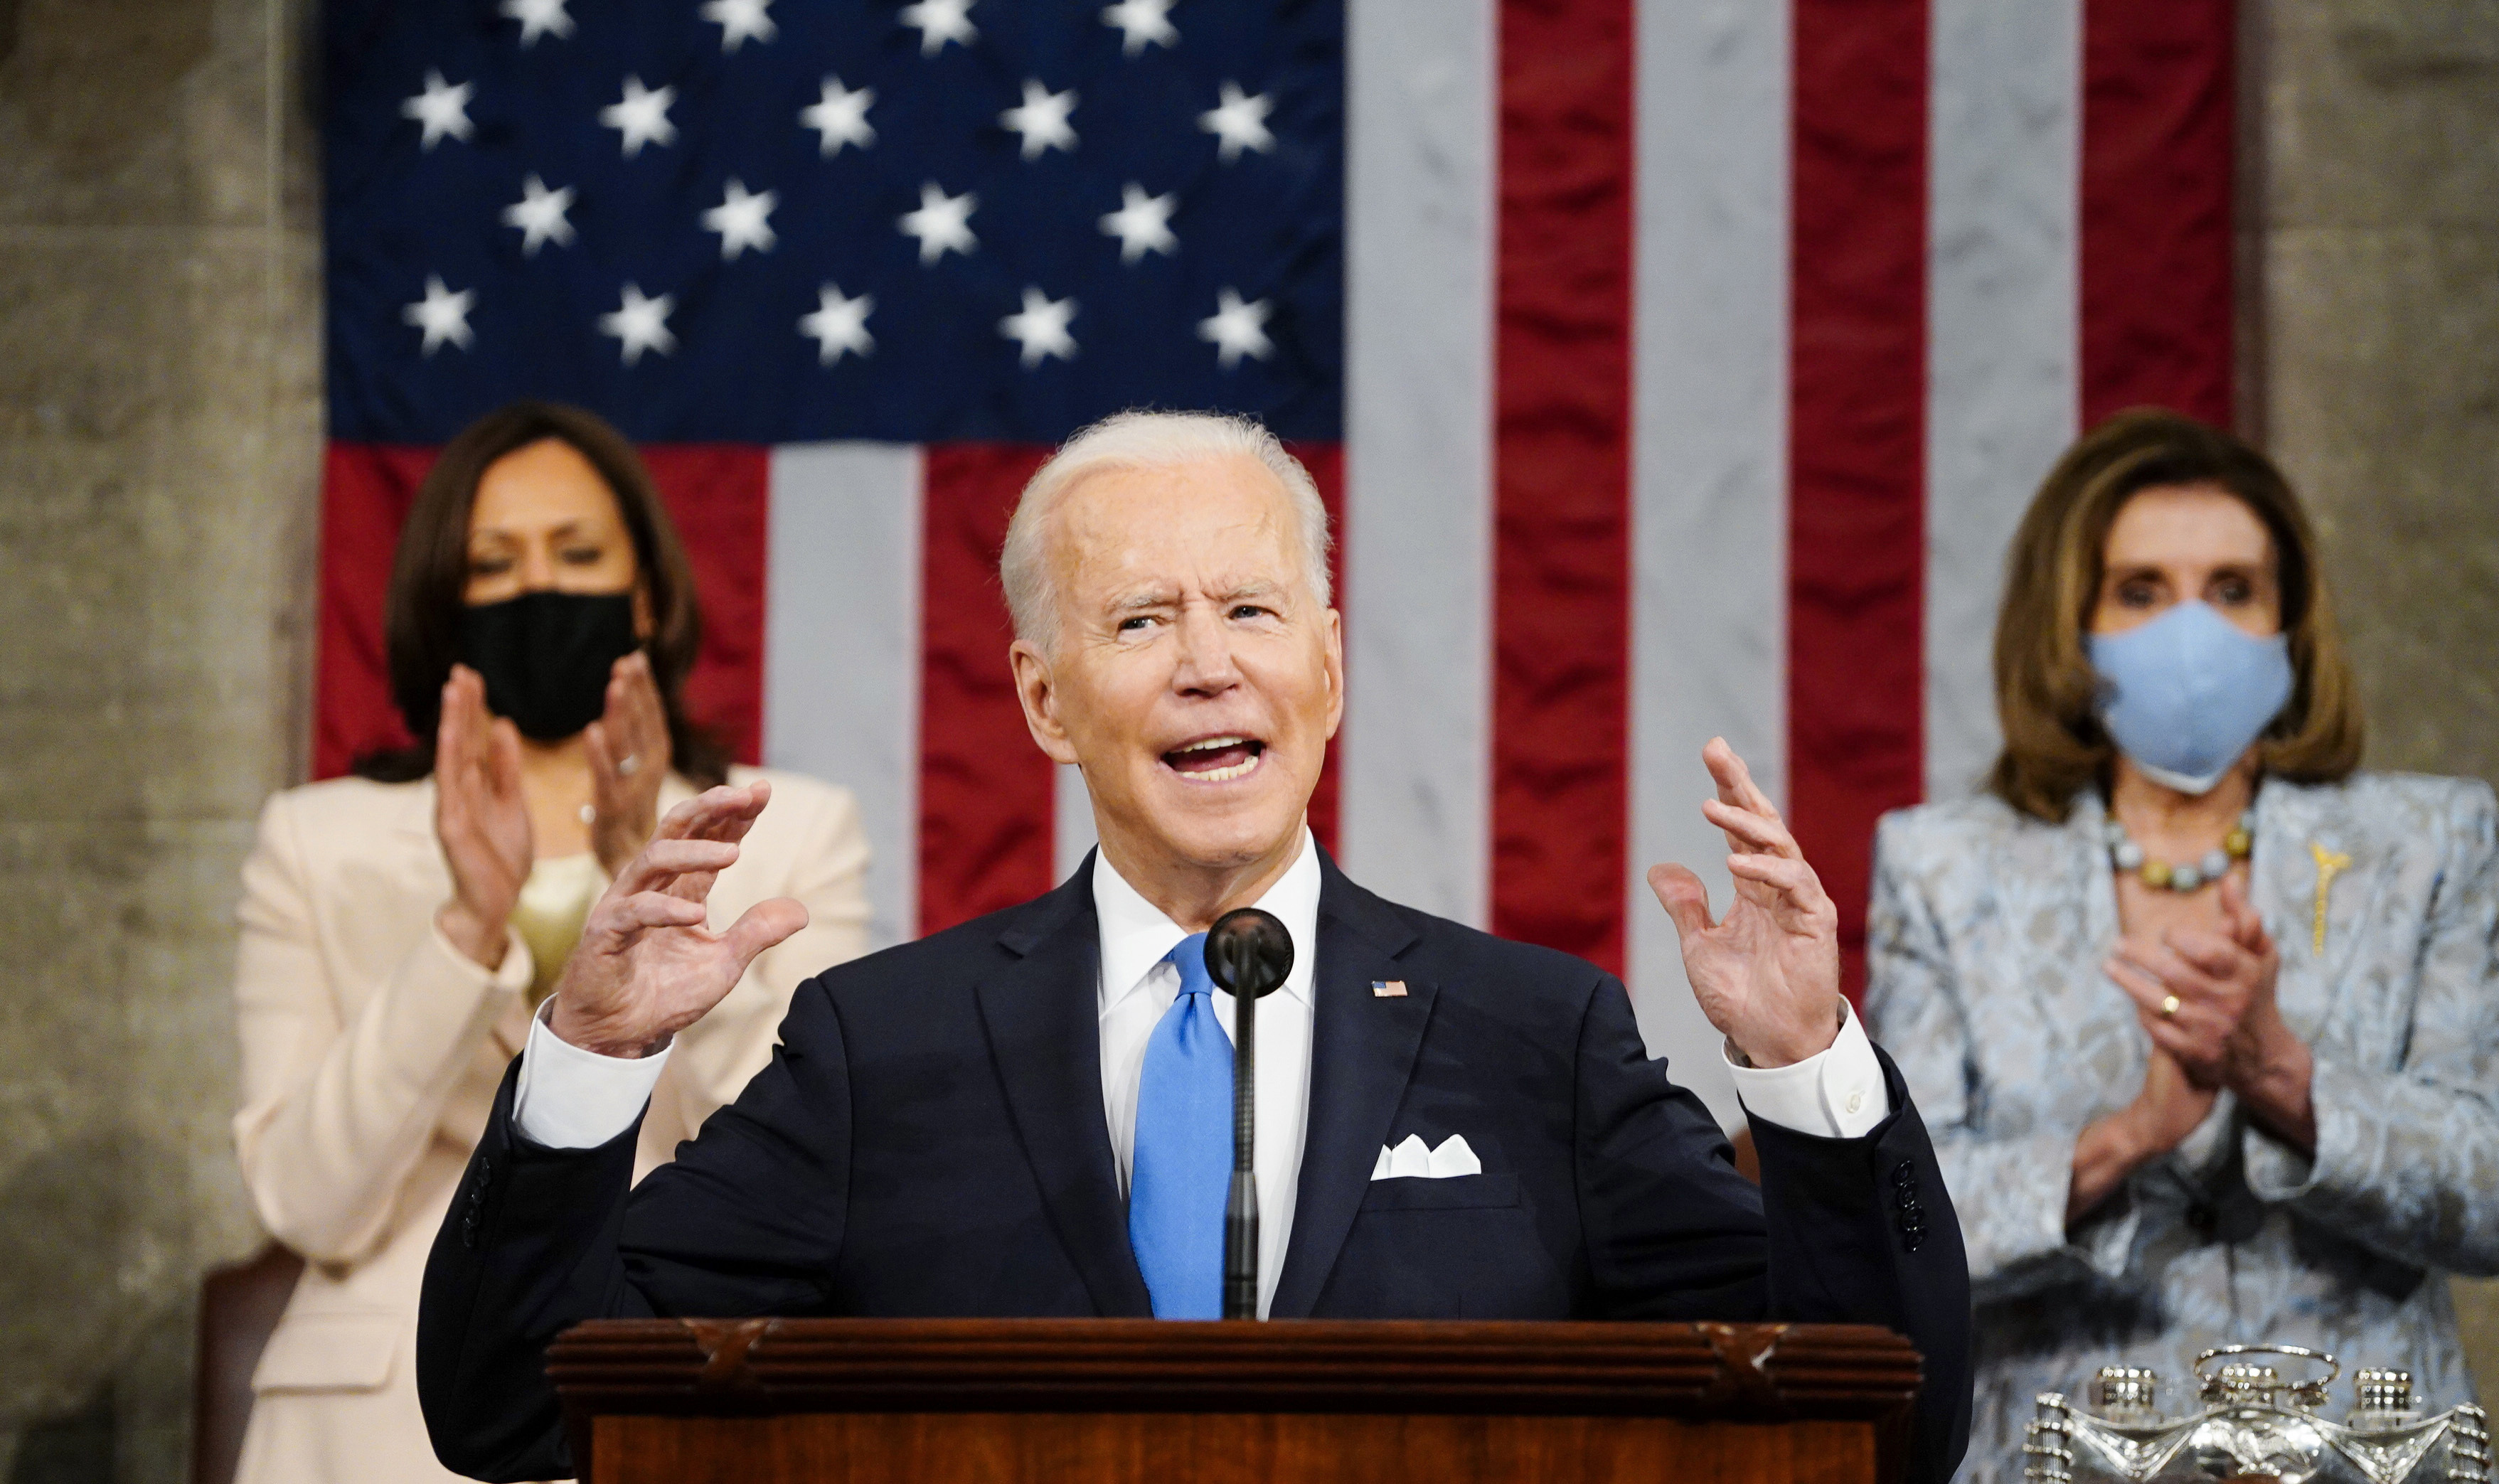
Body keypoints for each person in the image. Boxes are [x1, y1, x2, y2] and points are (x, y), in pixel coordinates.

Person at [415, 410, 1973, 1483]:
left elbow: (1878, 1425)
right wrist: (591, 1058)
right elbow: (510, 1401)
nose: (1209, 666)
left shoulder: (1534, 1037)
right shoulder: (881, 1048)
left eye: (1252, 608)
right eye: (1142, 620)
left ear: (1330, 664)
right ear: (1043, 700)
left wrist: (1804, 1068)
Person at [230, 402, 872, 1484]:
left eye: (578, 555)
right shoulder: (314, 839)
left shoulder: (794, 829)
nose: (541, 588)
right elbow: (305, 1202)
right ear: (446, 602)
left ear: (648, 592)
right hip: (372, 1428)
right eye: (495, 563)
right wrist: (463, 933)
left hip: (688, 1386)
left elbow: (819, 1163)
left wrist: (662, 886)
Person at [1866, 409, 2499, 1480]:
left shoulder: (2427, 844)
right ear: (2066, 623)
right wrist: (2125, 1138)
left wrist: (2286, 1080)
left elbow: (2486, 1195)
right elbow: (1901, 1235)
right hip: (2057, 1455)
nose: (2189, 633)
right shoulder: (1944, 865)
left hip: (2363, 1455)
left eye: (2232, 590)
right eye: (2140, 591)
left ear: (2291, 623)